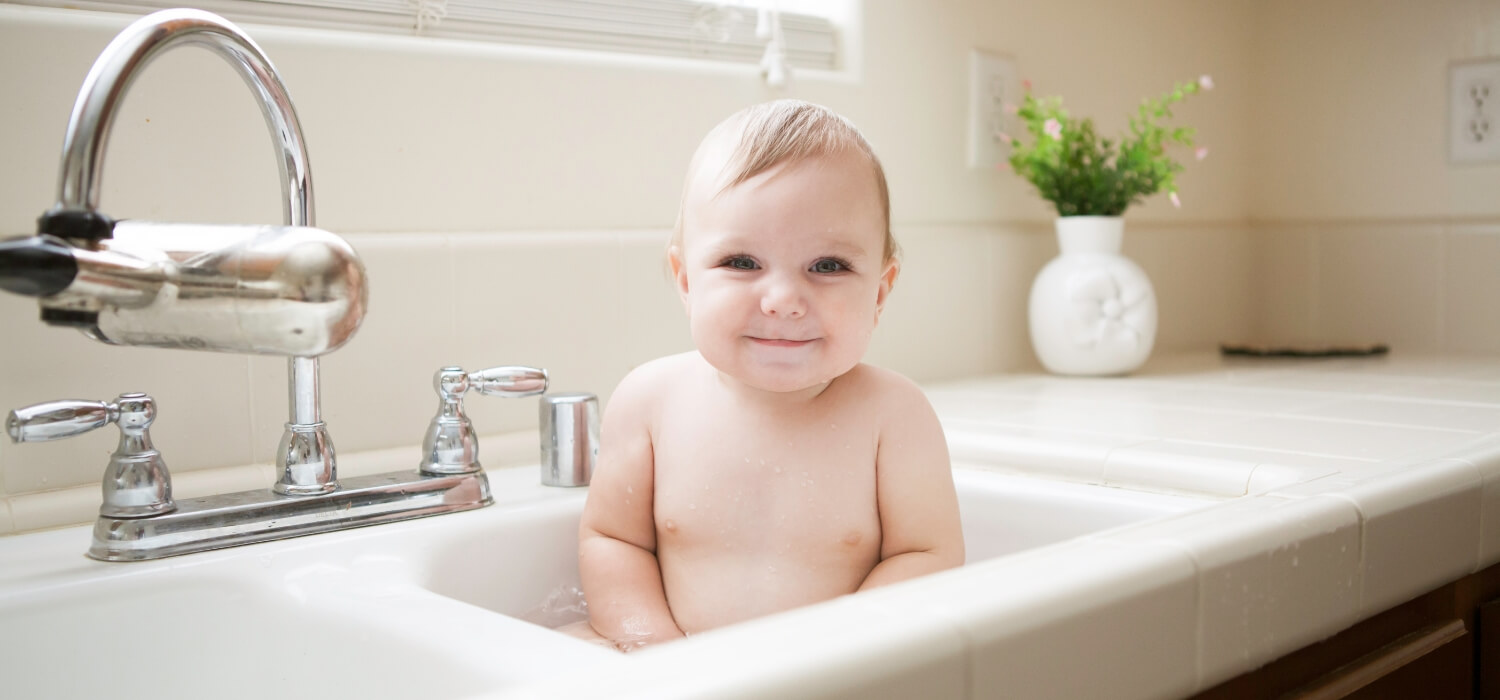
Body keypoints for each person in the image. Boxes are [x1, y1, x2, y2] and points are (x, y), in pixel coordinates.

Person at [571, 99, 964, 652]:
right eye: (741, 262)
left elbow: (928, 557)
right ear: (686, 281)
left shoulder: (894, 416)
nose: (782, 300)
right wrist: (654, 651)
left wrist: (836, 650)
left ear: (879, 291)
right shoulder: (649, 403)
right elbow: (613, 541)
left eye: (828, 266)